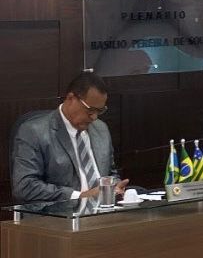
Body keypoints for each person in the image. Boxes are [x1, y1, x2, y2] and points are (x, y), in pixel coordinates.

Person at [12, 72, 128, 203]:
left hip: (104, 209)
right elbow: (25, 187)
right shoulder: (34, 132)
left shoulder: (101, 129)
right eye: (90, 110)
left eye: (99, 111)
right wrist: (80, 195)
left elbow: (110, 173)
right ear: (71, 98)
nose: (94, 117)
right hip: (61, 212)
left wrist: (114, 186)